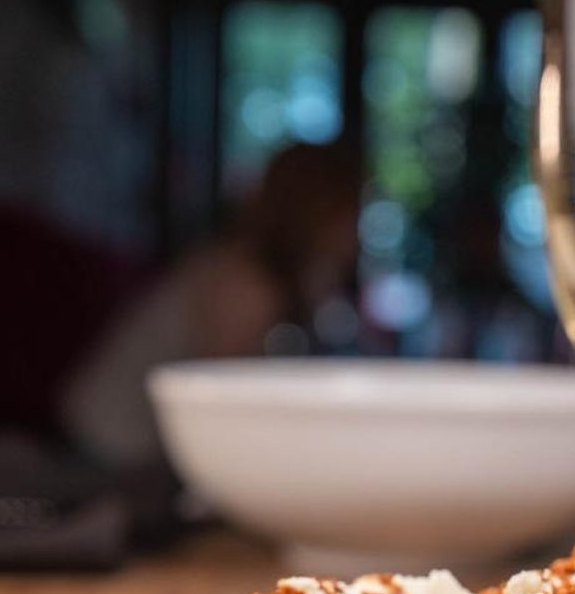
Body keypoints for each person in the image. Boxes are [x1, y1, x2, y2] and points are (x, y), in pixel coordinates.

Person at [60, 143, 360, 468]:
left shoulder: (292, 280)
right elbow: (219, 408)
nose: (356, 229)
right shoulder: (244, 282)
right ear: (318, 210)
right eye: (351, 211)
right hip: (106, 447)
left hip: (144, 451)